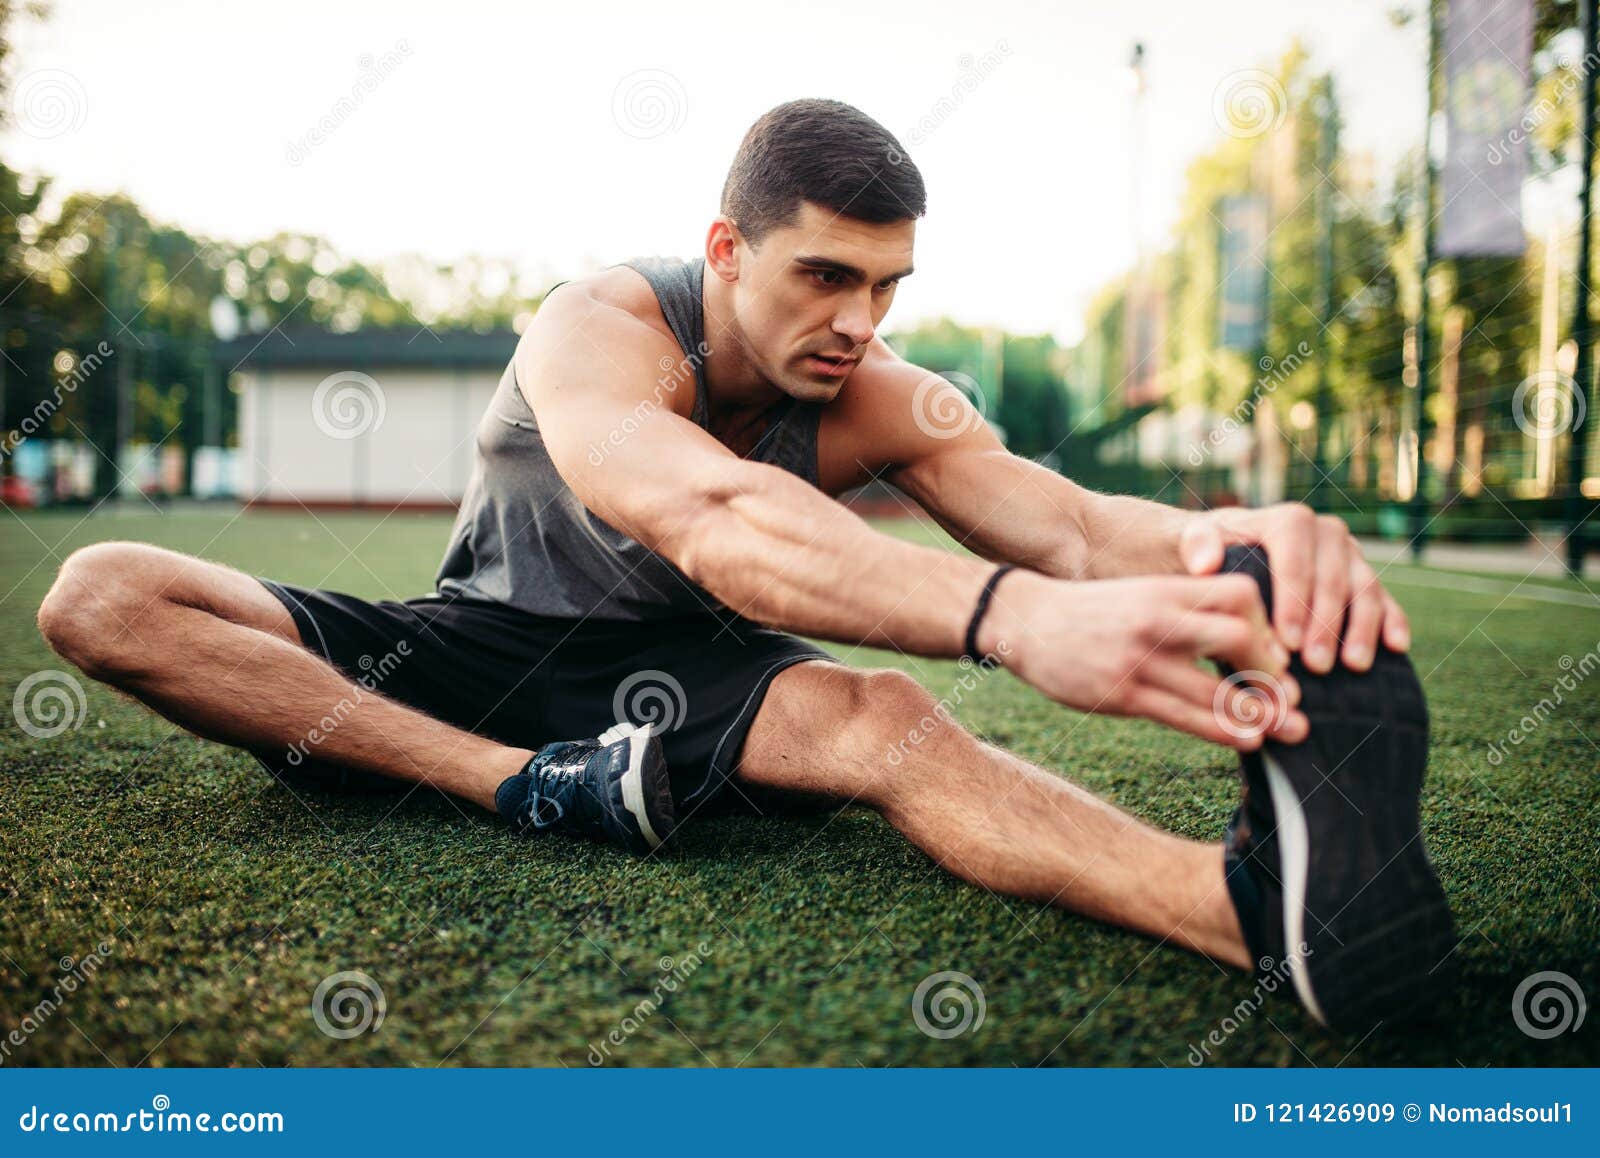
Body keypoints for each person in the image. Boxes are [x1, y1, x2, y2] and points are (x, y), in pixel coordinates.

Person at [36, 98, 1453, 1033]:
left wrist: (1241, 549)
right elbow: (712, 515)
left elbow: (1074, 525)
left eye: (888, 284)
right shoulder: (594, 328)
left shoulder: (884, 390)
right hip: (472, 650)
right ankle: (521, 788)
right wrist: (1009, 621)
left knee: (885, 719)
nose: (859, 319)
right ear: (728, 248)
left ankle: (1254, 910)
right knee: (103, 590)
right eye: (825, 276)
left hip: (682, 683)